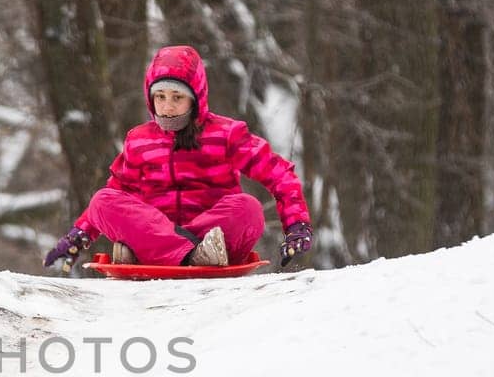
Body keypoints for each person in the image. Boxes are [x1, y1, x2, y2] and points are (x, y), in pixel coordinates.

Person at [43, 45, 313, 272]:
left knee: (249, 209)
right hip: (156, 231)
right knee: (102, 200)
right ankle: (188, 254)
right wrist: (78, 235)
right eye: (160, 97)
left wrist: (296, 225)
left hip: (213, 236)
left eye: (177, 97)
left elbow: (279, 173)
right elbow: (116, 193)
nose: (167, 106)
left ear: (195, 98)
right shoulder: (139, 141)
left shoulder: (226, 134)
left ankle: (160, 254)